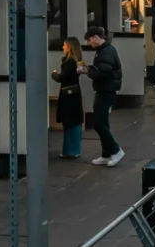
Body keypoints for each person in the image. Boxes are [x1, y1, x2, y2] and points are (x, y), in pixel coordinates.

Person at [80, 27, 125, 166]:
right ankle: (106, 153)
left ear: (96, 37)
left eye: (89, 40)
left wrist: (87, 71)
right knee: (102, 123)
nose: (89, 43)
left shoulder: (104, 52)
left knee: (99, 123)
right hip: (107, 89)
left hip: (106, 90)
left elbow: (104, 73)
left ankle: (116, 150)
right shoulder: (105, 50)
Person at [53, 37, 85, 158]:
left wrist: (54, 74)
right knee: (74, 121)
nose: (63, 47)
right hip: (74, 94)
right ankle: (73, 149)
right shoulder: (76, 61)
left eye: (65, 45)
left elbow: (62, 77)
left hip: (68, 95)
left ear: (70, 47)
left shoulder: (69, 62)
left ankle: (70, 150)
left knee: (69, 121)